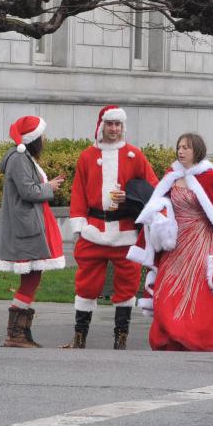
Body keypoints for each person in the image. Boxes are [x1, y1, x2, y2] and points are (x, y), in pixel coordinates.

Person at [127, 133, 213, 351]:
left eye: (186, 147)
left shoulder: (209, 177)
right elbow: (160, 204)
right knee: (167, 288)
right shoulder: (171, 176)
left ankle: (197, 336)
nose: (181, 151)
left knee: (199, 291)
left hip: (201, 241)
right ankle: (171, 334)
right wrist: (159, 217)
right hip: (175, 243)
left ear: (197, 151)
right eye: (179, 147)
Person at [67, 105, 159, 350]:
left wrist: (129, 201)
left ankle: (121, 338)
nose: (114, 129)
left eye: (118, 124)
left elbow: (153, 189)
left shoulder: (135, 155)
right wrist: (79, 225)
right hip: (93, 230)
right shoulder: (87, 156)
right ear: (102, 126)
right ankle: (79, 337)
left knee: (127, 285)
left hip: (125, 232)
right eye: (110, 124)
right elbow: (77, 194)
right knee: (86, 285)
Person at [0, 115, 67, 348]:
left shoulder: (23, 157)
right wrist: (50, 187)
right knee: (31, 276)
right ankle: (16, 333)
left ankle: (20, 332)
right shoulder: (19, 158)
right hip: (26, 226)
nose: (45, 139)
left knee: (33, 276)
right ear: (34, 138)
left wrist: (47, 185)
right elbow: (28, 191)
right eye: (42, 135)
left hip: (31, 224)